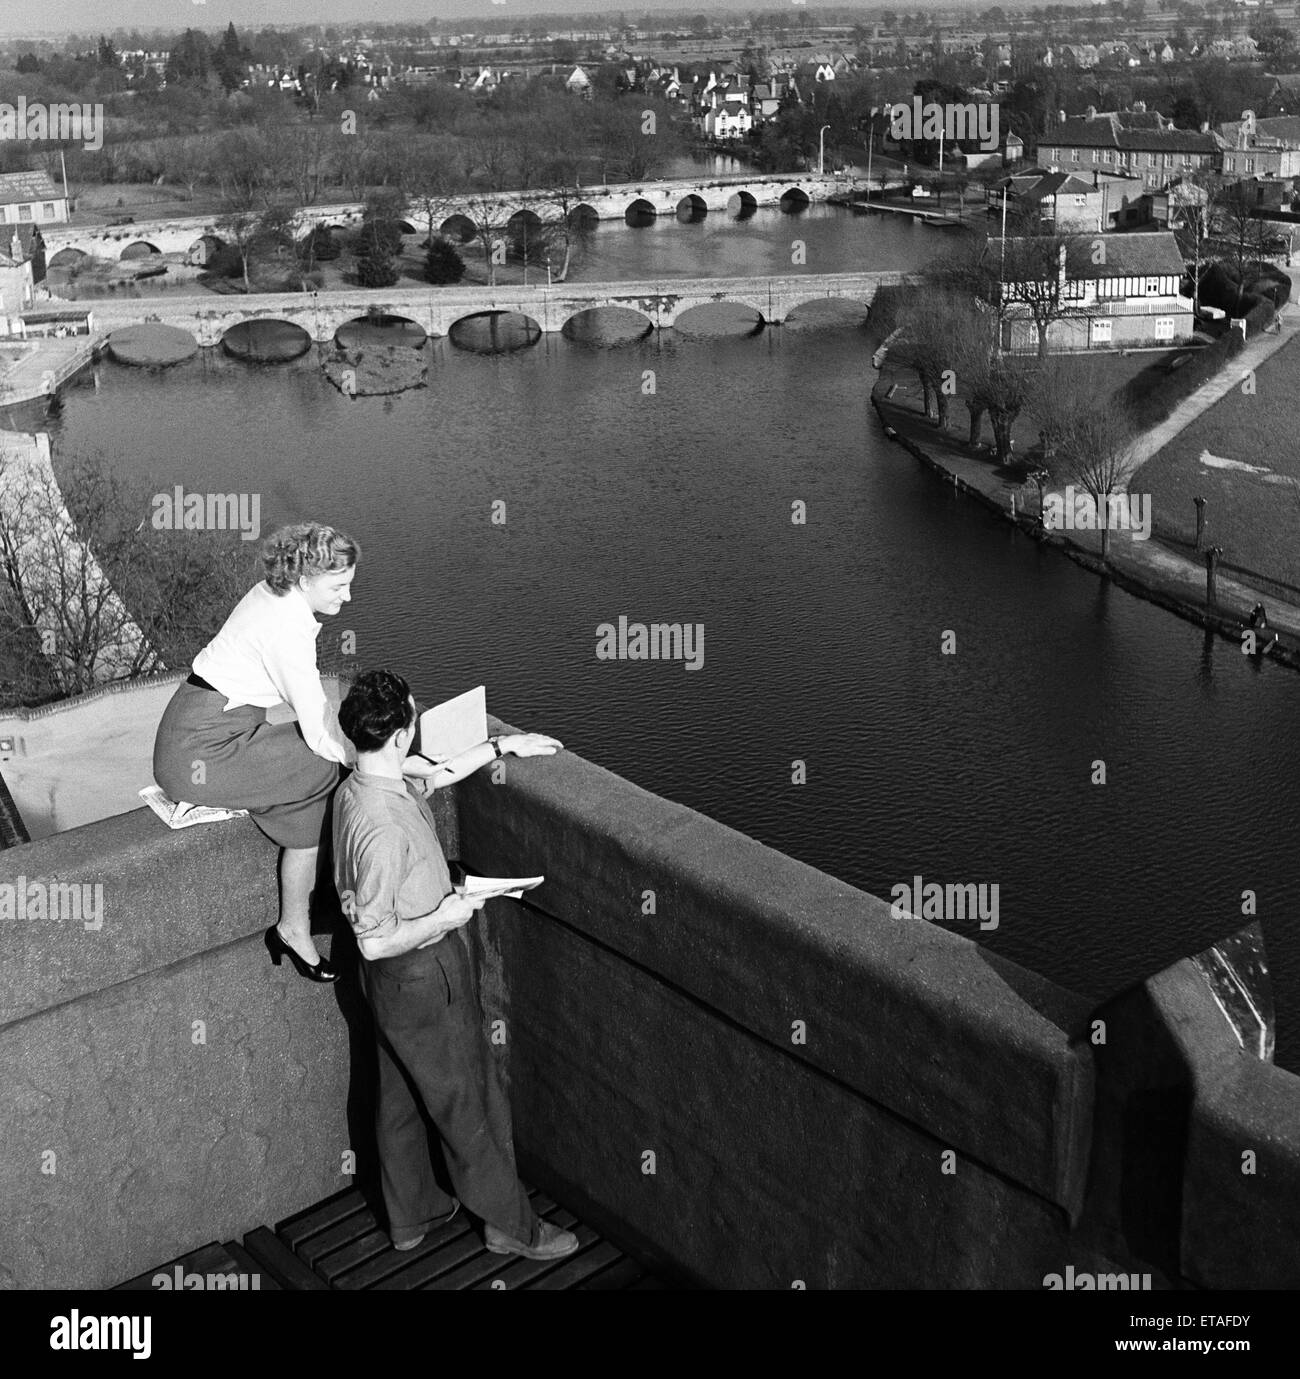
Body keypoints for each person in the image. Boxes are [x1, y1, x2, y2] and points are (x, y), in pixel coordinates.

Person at [332, 669, 578, 1260]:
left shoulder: (358, 788)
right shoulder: (385, 829)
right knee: (470, 1100)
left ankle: (410, 1216)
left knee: (395, 1094)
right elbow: (374, 938)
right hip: (423, 974)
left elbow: (432, 776)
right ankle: (510, 1227)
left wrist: (500, 746)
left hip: (389, 988)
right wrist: (448, 916)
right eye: (414, 718)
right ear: (399, 734)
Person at [152, 521, 360, 983]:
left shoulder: (277, 591)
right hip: (199, 749)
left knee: (311, 784)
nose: (346, 598)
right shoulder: (286, 628)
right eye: (339, 586)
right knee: (323, 763)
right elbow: (316, 724)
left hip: (203, 730)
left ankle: (295, 923)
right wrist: (368, 759)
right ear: (306, 579)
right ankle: (317, 905)